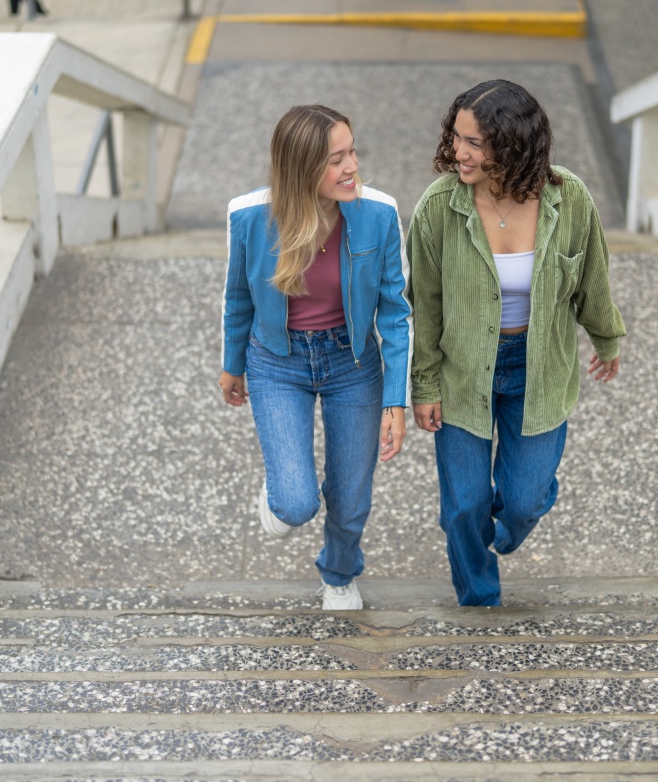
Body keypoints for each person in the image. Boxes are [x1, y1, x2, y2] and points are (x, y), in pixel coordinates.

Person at [407, 80, 626, 607]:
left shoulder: (568, 199)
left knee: (524, 501)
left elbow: (592, 277)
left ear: (513, 145)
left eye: (475, 143)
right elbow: (424, 305)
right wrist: (424, 385)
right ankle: (478, 597)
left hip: (539, 368)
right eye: (457, 137)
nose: (460, 152)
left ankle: (515, 512)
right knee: (464, 506)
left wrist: (606, 339)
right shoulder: (439, 206)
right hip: (463, 372)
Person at [220, 104, 411, 611]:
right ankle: (284, 490)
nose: (352, 167)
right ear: (301, 168)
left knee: (351, 495)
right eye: (335, 160)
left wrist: (397, 400)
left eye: (352, 152)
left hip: (353, 364)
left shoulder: (379, 214)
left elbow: (396, 313)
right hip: (277, 363)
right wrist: (232, 364)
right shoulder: (249, 217)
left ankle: (339, 574)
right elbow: (237, 297)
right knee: (295, 503)